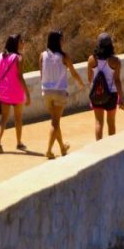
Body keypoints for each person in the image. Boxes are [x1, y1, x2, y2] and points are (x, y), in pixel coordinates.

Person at [39, 30, 86, 159]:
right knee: (55, 122)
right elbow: (73, 72)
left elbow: (41, 75)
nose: (63, 41)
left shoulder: (42, 55)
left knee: (55, 121)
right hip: (59, 92)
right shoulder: (64, 57)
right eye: (61, 39)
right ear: (57, 41)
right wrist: (81, 83)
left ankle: (62, 148)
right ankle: (48, 150)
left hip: (46, 92)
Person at [0, 34, 31, 153]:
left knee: (4, 118)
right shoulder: (19, 58)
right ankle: (18, 143)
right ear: (16, 44)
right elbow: (19, 76)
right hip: (16, 92)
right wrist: (27, 94)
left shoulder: (0, 56)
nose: (23, 43)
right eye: (21, 41)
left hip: (4, 92)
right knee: (18, 118)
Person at [86, 32, 124, 140]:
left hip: (96, 94)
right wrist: (121, 98)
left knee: (99, 122)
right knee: (111, 122)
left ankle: (99, 147)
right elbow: (117, 80)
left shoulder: (91, 59)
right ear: (110, 45)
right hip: (111, 94)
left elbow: (89, 79)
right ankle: (111, 148)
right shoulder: (115, 61)